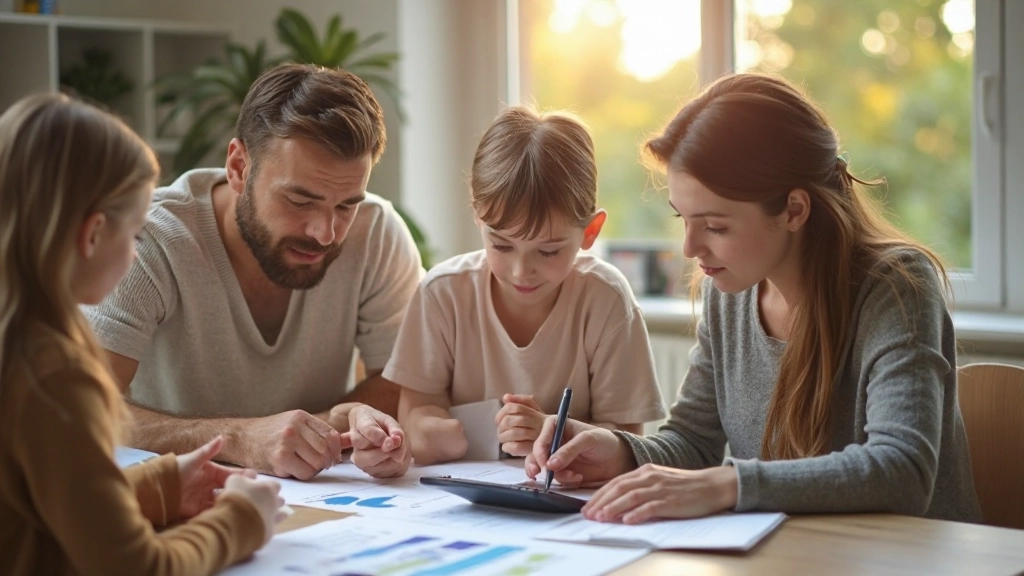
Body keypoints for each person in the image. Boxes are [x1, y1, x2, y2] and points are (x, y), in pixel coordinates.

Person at [527, 74, 983, 524]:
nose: (690, 248)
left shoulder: (896, 287)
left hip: (908, 556)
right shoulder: (729, 291)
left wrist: (729, 485)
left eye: (715, 226)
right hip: (798, 553)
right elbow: (693, 441)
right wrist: (619, 451)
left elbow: (902, 472)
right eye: (683, 218)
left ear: (794, 210)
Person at [85, 64, 421, 480]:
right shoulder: (149, 241)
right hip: (173, 495)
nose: (325, 233)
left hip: (321, 497)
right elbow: (80, 406)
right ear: (239, 167)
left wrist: (332, 428)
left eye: (345, 205)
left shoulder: (377, 233)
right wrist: (239, 439)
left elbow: (402, 381)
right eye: (300, 201)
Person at [0, 93, 286, 575]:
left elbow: (49, 502)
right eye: (134, 235)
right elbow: (137, 567)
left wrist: (160, 486)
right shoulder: (53, 374)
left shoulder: (19, 345)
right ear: (92, 234)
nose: (136, 254)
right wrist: (243, 518)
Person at [386, 106, 665, 465]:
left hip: (569, 494)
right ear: (478, 215)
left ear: (590, 231)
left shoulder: (606, 300)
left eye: (548, 251)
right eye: (501, 245)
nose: (521, 272)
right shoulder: (443, 294)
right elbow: (415, 414)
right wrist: (450, 433)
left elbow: (627, 441)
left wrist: (554, 433)